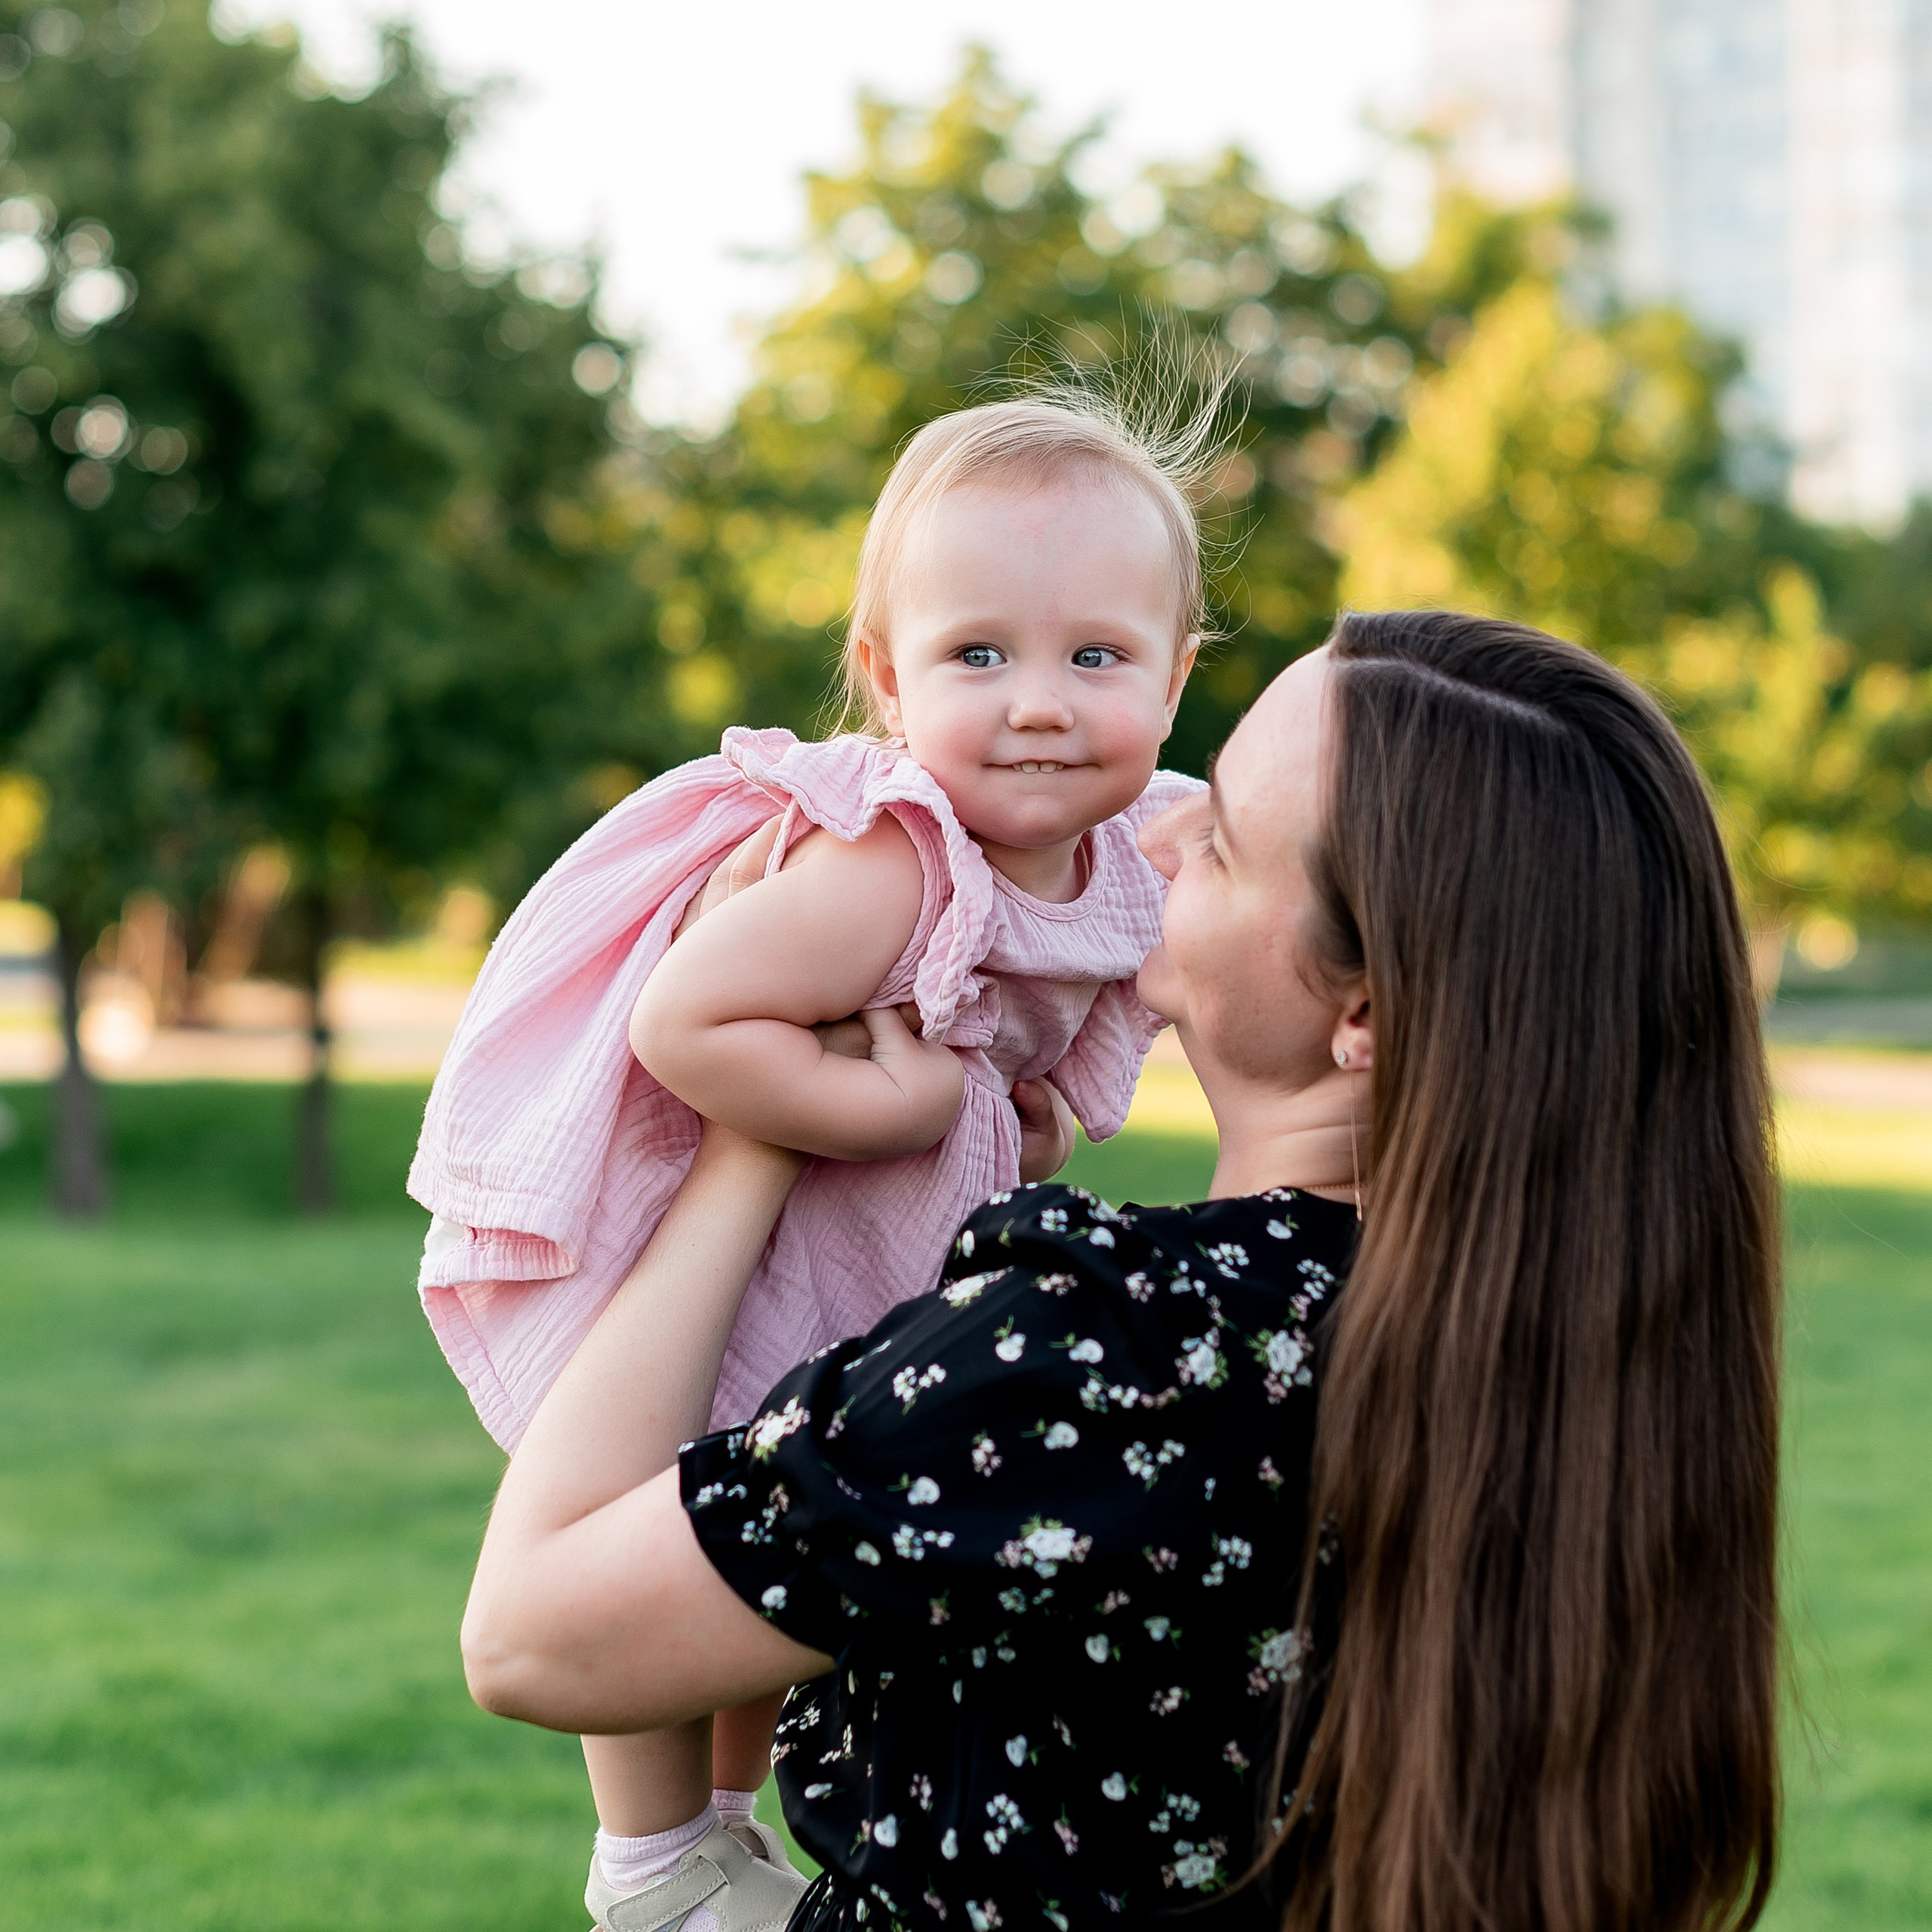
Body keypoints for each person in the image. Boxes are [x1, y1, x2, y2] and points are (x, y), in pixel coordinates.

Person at [460, 611, 1784, 1932]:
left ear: (1364, 1014)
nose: (1153, 838)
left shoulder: (1114, 1356)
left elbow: (532, 1633)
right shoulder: (1588, 1360)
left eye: (1219, 845)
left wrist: (750, 1145)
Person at [411, 394, 1226, 1914]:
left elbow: (1058, 1007)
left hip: (869, 1239)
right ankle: (650, 1856)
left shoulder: (1127, 845)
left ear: (1174, 678)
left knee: (760, 1523)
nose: (1038, 701)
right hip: (750, 1222)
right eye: (976, 654)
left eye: (1094, 656)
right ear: (885, 676)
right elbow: (687, 1017)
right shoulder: (888, 860)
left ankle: (727, 1825)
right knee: (668, 1494)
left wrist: (1021, 1112)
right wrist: (895, 1113)